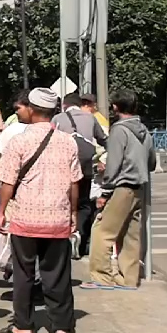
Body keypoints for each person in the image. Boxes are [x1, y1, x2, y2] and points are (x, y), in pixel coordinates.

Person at [0, 88, 82, 333]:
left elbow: (7, 183)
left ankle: (23, 325)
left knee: (23, 273)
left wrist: (1, 211)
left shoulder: (18, 141)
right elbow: (74, 183)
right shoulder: (68, 141)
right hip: (57, 216)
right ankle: (62, 325)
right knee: (57, 273)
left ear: (31, 109)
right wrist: (73, 212)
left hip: (25, 218)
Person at [85, 90, 156, 290]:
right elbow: (151, 162)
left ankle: (101, 277)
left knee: (102, 231)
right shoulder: (144, 130)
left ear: (115, 107)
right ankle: (129, 279)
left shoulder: (119, 130)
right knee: (131, 235)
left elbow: (114, 164)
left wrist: (105, 192)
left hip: (122, 187)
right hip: (139, 188)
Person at [54, 92, 107, 259]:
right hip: (85, 168)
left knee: (64, 203)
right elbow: (103, 139)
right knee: (84, 204)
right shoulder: (90, 118)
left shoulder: (58, 119)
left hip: (63, 171)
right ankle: (80, 237)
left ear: (64, 105)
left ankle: (64, 240)